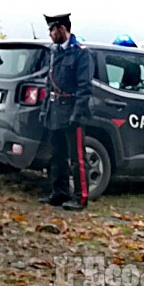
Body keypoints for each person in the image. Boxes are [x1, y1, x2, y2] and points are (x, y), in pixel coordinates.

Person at [39, 13, 95, 211]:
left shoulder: (81, 53)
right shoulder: (54, 52)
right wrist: (46, 109)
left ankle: (81, 197)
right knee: (57, 155)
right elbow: (50, 82)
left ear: (62, 29)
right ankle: (59, 192)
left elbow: (84, 87)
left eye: (52, 30)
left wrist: (77, 114)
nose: (50, 35)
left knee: (77, 157)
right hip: (55, 110)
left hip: (72, 110)